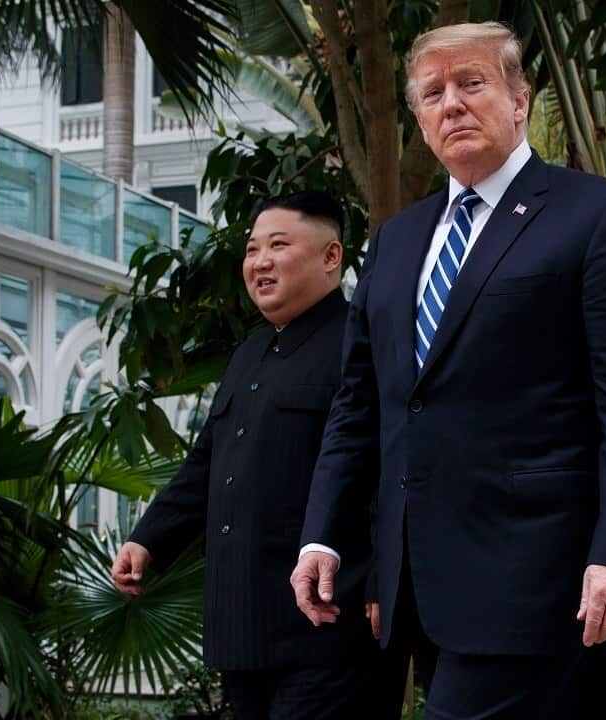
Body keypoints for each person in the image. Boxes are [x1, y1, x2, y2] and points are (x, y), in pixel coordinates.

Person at [289, 21, 606, 720]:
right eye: (433, 92)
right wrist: (324, 532)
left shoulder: (599, 217)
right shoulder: (396, 241)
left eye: (472, 83)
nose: (453, 104)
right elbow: (362, 405)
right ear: (417, 118)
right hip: (421, 586)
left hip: (548, 580)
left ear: (520, 98)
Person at [110, 192, 394, 719]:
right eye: (251, 249)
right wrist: (147, 539)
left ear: (332, 257)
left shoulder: (365, 343)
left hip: (330, 630)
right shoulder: (249, 354)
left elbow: (388, 473)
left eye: (278, 245)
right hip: (243, 631)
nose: (259, 262)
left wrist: (382, 582)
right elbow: (206, 465)